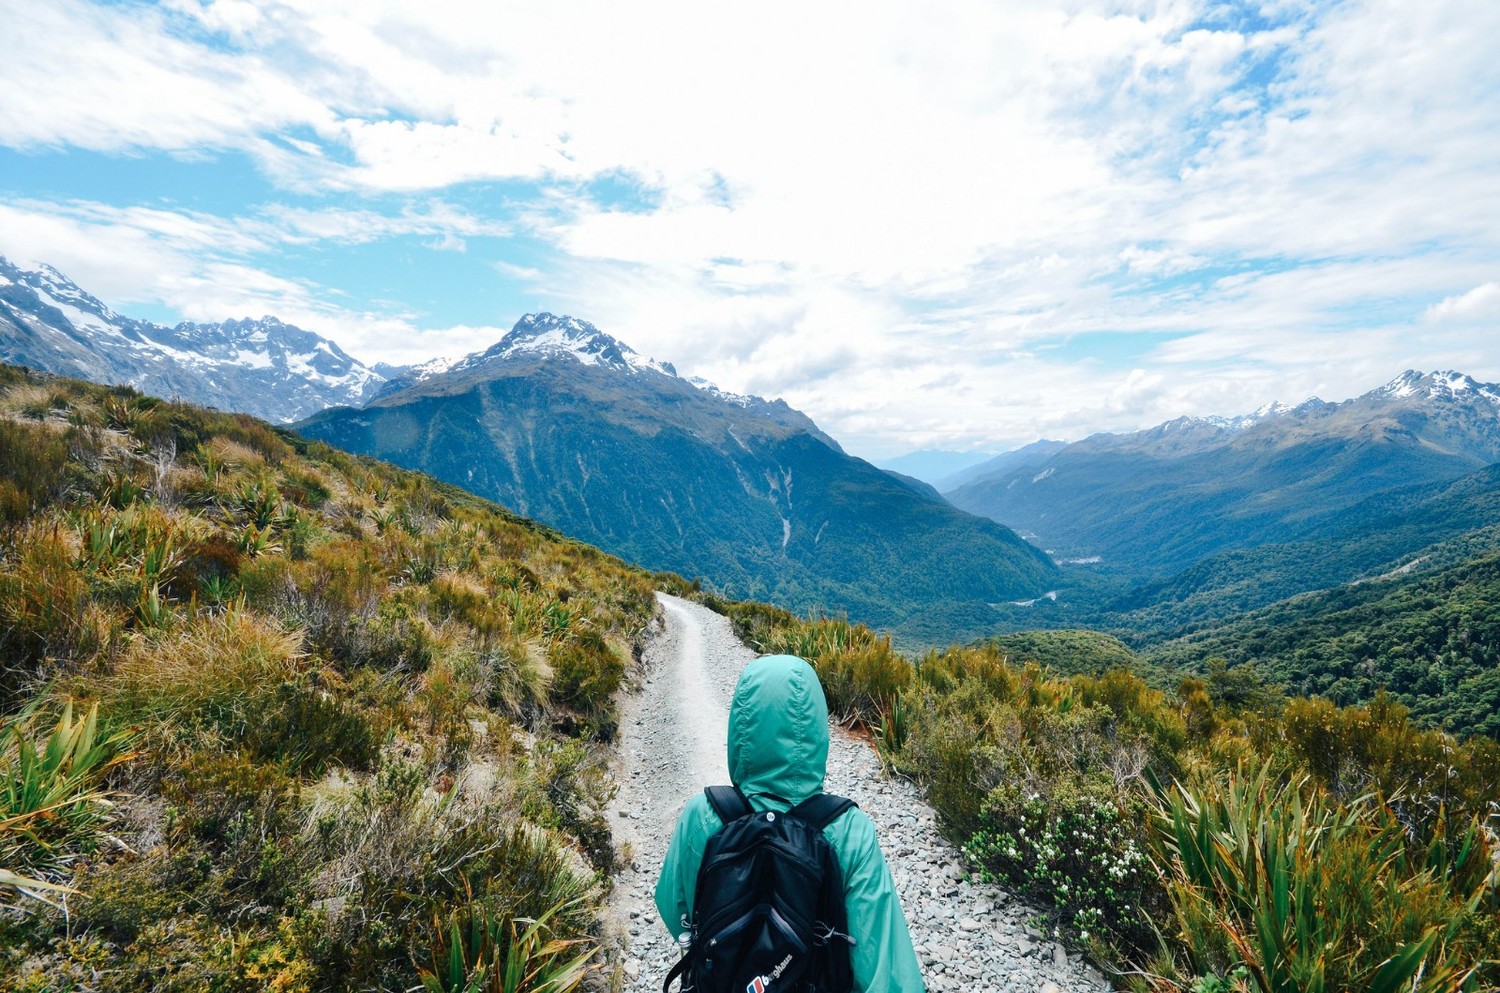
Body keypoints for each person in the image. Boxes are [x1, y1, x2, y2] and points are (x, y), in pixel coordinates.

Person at [654, 654, 926, 992]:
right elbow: (885, 970)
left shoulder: (703, 814)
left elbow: (673, 906)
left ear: (741, 722)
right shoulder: (850, 831)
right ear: (817, 729)